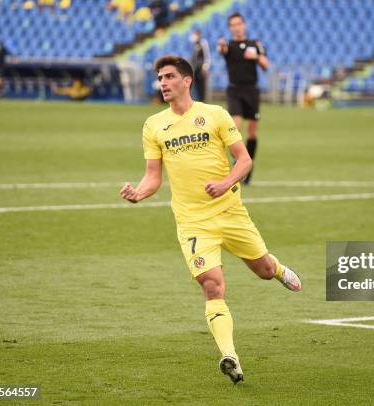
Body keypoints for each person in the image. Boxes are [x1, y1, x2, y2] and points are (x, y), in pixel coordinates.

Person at [119, 55, 301, 384]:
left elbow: (244, 161)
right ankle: (230, 356)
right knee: (213, 285)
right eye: (160, 77)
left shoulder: (214, 115)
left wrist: (225, 183)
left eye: (169, 76)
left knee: (261, 269)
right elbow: (152, 177)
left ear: (187, 81)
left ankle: (276, 268)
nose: (163, 82)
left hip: (230, 212)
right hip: (192, 222)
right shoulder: (153, 125)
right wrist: (139, 193)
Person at [218, 12, 268, 184]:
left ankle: (249, 168)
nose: (236, 27)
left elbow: (266, 65)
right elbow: (222, 50)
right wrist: (221, 45)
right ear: (230, 28)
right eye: (233, 24)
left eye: (239, 23)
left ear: (244, 25)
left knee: (252, 132)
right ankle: (240, 161)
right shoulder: (229, 46)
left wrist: (257, 57)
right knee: (235, 127)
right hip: (234, 90)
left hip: (251, 91)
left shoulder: (255, 44)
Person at [189, 29, 210, 102]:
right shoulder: (194, 44)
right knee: (197, 86)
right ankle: (198, 101)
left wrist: (205, 67)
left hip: (201, 68)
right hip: (195, 69)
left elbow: (207, 56)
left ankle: (203, 101)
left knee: (202, 86)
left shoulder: (203, 43)